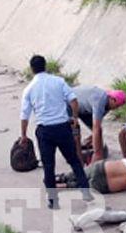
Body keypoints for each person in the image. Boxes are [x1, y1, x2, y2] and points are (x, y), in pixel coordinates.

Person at [20, 55, 91, 209]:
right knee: (74, 160)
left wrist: (24, 135)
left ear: (32, 69)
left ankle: (53, 201)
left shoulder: (29, 89)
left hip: (45, 131)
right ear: (46, 66)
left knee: (48, 166)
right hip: (62, 127)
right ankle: (86, 192)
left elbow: (24, 115)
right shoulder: (58, 81)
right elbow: (73, 100)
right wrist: (75, 117)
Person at [56, 151, 126, 195]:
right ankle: (64, 185)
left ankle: (60, 178)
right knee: (78, 185)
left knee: (76, 174)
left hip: (103, 168)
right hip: (104, 185)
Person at [73, 85, 126, 164]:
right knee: (75, 131)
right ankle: (78, 159)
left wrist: (91, 140)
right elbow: (96, 128)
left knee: (98, 132)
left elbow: (97, 128)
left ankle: (94, 151)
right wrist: (97, 154)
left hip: (85, 109)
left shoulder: (107, 106)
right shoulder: (100, 101)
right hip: (70, 103)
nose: (116, 108)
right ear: (112, 99)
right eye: (117, 105)